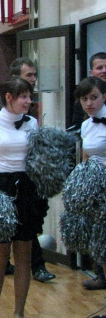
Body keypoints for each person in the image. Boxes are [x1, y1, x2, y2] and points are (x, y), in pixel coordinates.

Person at [0, 77, 49, 318]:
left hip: (26, 188)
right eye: (23, 97)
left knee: (23, 254)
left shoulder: (33, 124)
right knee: (0, 252)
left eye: (29, 96)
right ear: (9, 98)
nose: (29, 101)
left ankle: (19, 313)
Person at [0, 58, 56, 282]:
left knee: (28, 229)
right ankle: (7, 264)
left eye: (34, 75)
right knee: (8, 233)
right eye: (28, 75)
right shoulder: (2, 110)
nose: (33, 79)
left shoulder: (31, 113)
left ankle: (36, 266)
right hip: (5, 180)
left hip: (29, 179)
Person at [74, 76, 106, 290]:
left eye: (94, 98)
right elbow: (86, 157)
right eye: (84, 99)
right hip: (95, 189)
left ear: (104, 96)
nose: (89, 103)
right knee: (99, 239)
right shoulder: (86, 125)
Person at [71, 52, 106, 129]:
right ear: (91, 73)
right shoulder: (83, 98)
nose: (104, 71)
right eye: (99, 68)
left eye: (94, 97)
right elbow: (76, 128)